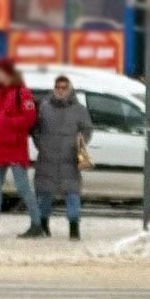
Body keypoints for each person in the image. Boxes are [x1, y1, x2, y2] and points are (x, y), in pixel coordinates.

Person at [30, 73, 92, 239]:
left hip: (69, 159)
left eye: (64, 87)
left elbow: (87, 129)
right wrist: (40, 143)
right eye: (57, 87)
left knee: (72, 194)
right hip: (47, 159)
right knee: (44, 194)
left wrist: (81, 142)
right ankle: (43, 225)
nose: (60, 90)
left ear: (70, 89)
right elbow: (35, 128)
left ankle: (74, 228)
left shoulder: (79, 110)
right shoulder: (44, 106)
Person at [0, 60, 38, 238]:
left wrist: (9, 122)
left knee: (23, 187)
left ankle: (36, 223)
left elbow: (30, 117)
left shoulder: (22, 93)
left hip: (14, 146)